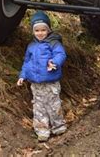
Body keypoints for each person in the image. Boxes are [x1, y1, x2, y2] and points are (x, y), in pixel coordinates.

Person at [17, 11, 67, 142]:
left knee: (54, 105)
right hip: (36, 84)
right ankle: (42, 131)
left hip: (51, 82)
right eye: (37, 30)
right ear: (33, 31)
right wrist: (22, 75)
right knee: (39, 107)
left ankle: (58, 126)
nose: (40, 33)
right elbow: (27, 62)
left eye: (43, 30)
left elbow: (60, 54)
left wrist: (54, 62)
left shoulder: (53, 42)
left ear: (48, 30)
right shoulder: (31, 46)